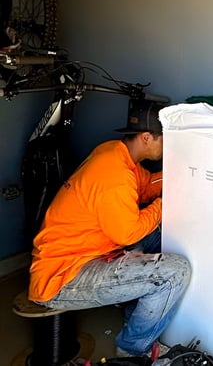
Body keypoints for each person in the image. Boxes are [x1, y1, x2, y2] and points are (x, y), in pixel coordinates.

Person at [28, 99, 191, 357]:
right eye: (164, 139)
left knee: (156, 234)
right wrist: (164, 204)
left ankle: (133, 314)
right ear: (147, 137)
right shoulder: (115, 175)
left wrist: (180, 177)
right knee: (176, 272)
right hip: (61, 276)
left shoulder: (115, 152)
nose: (167, 146)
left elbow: (145, 187)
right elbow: (128, 233)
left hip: (85, 251)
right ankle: (131, 350)